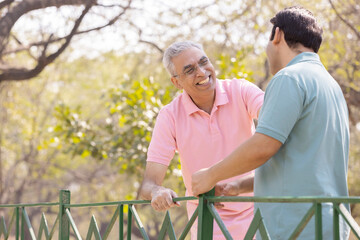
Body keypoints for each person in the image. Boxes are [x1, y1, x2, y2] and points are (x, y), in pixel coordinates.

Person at [191, 6, 350, 239]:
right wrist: (239, 186)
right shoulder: (330, 85)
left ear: (277, 35)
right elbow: (305, 166)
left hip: (293, 227)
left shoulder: (289, 77)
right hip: (331, 224)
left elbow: (264, 146)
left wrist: (210, 175)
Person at [139, 41, 264, 239]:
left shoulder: (241, 90)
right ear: (176, 82)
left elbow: (276, 119)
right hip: (208, 220)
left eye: (203, 62)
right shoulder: (169, 115)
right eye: (189, 70)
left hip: (259, 212)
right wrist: (157, 191)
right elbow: (148, 183)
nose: (201, 72)